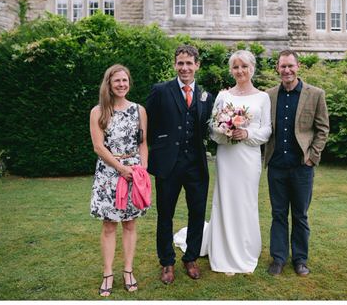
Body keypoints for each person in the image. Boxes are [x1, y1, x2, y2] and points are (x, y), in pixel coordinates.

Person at [175, 51, 271, 274]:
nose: (240, 71)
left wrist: (246, 134)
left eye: (244, 66)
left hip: (249, 157)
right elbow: (211, 128)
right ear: (231, 70)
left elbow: (266, 130)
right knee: (225, 199)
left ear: (252, 68)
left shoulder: (262, 97)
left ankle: (244, 249)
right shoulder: (223, 96)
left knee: (246, 201)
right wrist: (225, 132)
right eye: (236, 67)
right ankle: (223, 250)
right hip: (227, 156)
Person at [146, 45, 213, 284]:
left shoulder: (206, 95)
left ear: (197, 65)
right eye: (180, 63)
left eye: (189, 63)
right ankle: (167, 262)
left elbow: (208, 127)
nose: (184, 68)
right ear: (175, 65)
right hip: (168, 165)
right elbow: (148, 125)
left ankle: (191, 257)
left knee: (197, 213)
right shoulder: (160, 91)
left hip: (196, 165)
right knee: (166, 214)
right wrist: (160, 147)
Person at [264, 50, 330, 277]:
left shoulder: (316, 94)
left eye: (290, 66)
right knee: (278, 213)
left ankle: (300, 259)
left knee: (300, 215)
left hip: (302, 166)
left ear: (298, 66)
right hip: (276, 165)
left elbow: (323, 129)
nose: (287, 70)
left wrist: (313, 156)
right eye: (283, 66)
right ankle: (279, 258)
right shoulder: (269, 95)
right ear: (277, 68)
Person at [90, 65, 149, 296]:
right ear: (109, 84)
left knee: (130, 224)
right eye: (117, 81)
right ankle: (107, 273)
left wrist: (142, 168)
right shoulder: (99, 112)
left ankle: (128, 270)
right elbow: (98, 146)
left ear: (129, 82)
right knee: (108, 225)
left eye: (125, 80)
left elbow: (143, 142)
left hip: (133, 173)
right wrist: (120, 168)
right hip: (109, 174)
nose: (122, 84)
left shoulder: (139, 110)